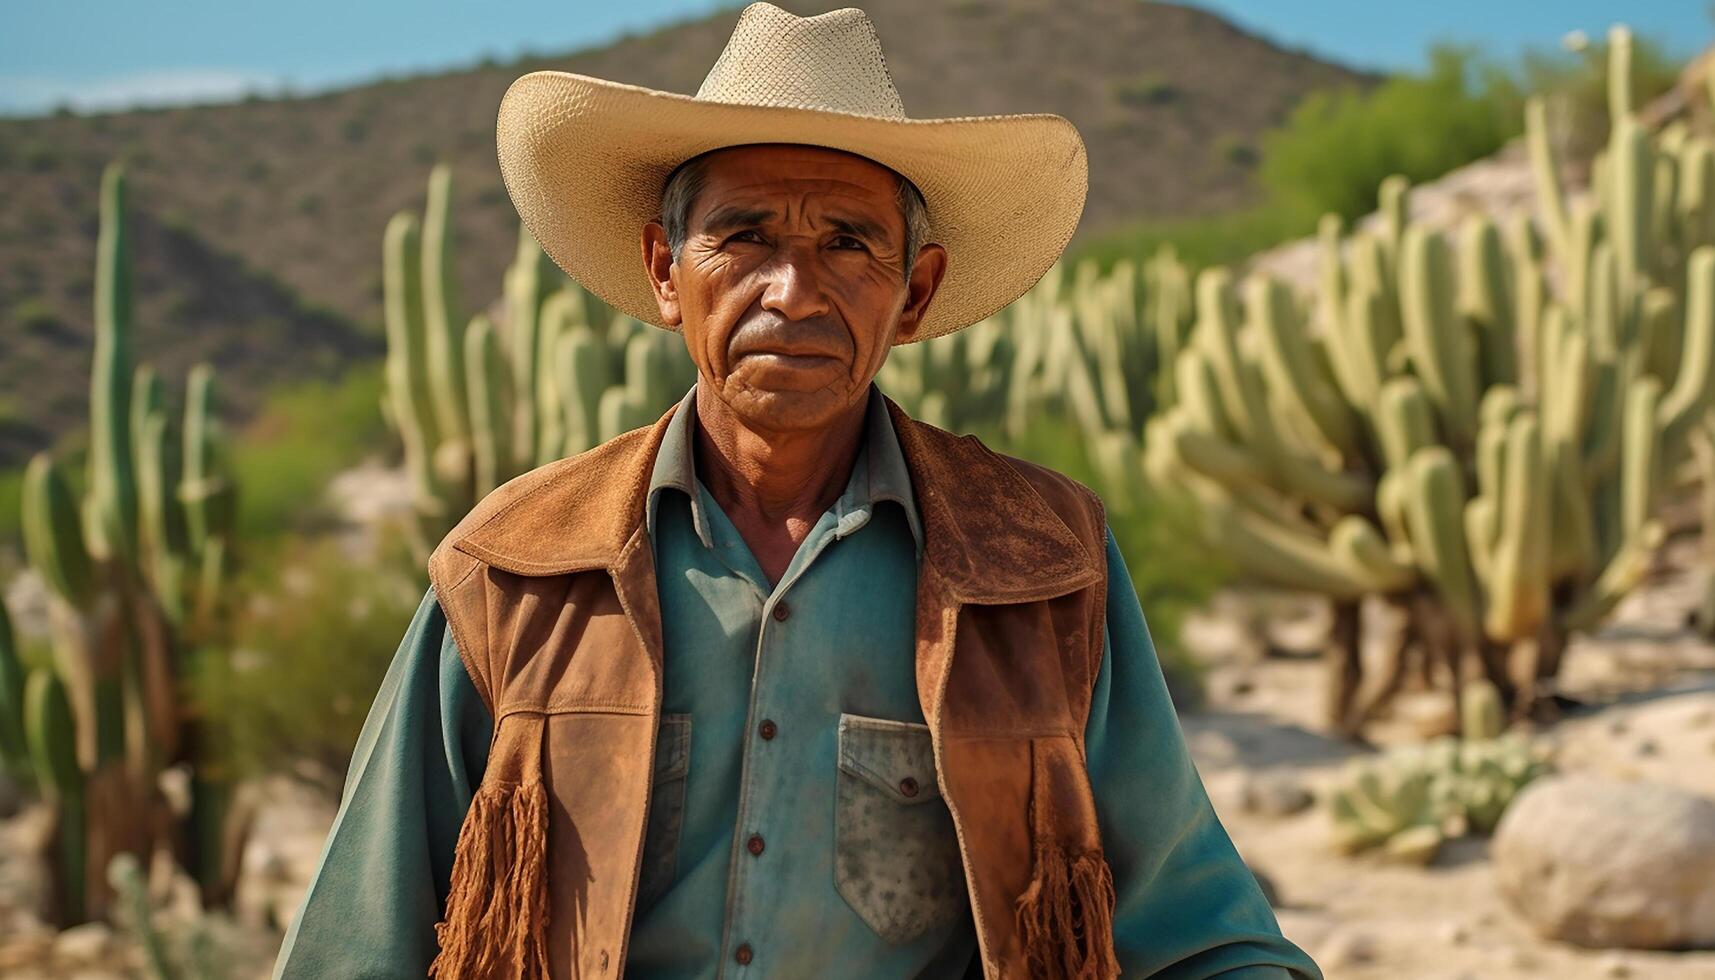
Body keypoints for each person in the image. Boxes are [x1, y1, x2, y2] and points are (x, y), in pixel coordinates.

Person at [273, 4, 1322, 978]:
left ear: (912, 293)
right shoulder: (516, 566)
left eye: (847, 243)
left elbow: (1196, 933)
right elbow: (360, 940)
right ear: (662, 269)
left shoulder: (1037, 565)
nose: (792, 289)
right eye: (744, 237)